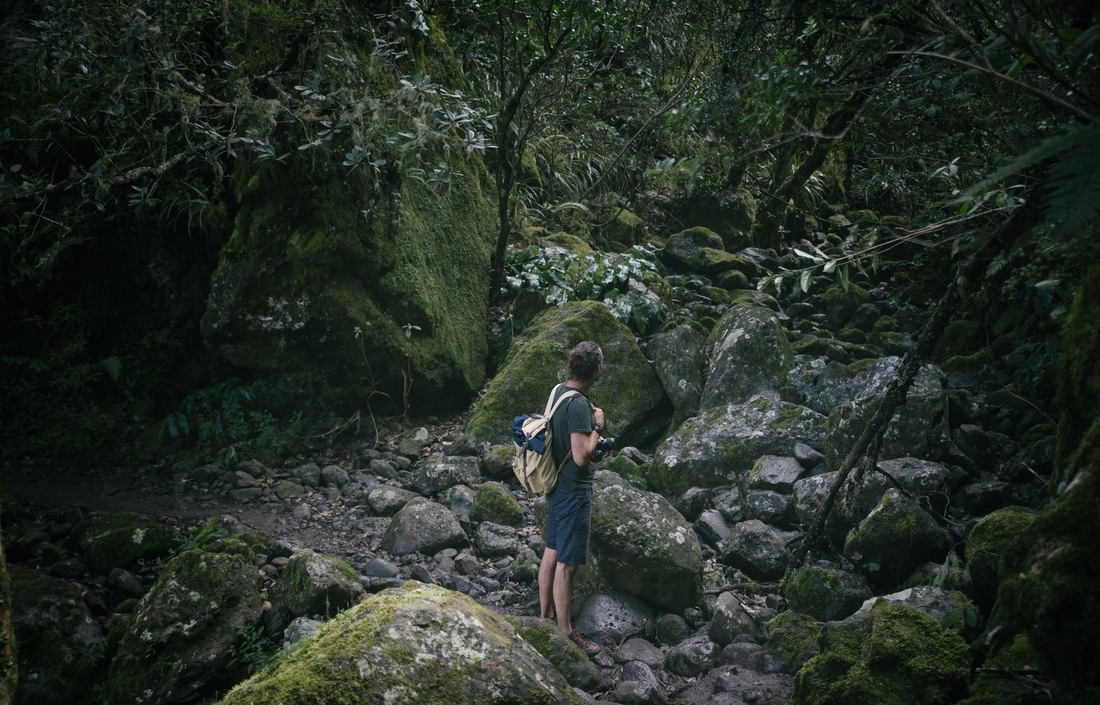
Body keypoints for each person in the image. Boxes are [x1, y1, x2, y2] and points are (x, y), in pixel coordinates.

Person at [537, 340, 607, 656]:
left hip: (554, 483)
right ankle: (567, 633)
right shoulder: (579, 405)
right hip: (573, 490)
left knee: (551, 550)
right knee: (567, 564)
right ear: (596, 369)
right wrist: (598, 428)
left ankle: (545, 617)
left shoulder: (557, 391)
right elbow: (581, 456)